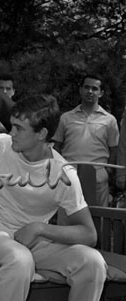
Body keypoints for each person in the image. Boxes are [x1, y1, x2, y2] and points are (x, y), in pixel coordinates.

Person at [0, 94, 107, 301]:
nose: (11, 133)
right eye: (12, 125)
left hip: (36, 243)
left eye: (19, 128)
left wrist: (40, 228)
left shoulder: (63, 175)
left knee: (93, 262)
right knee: (19, 259)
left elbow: (89, 234)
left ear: (42, 134)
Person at [52, 74, 119, 206]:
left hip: (98, 177)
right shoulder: (66, 118)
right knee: (67, 217)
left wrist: (107, 172)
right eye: (86, 87)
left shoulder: (110, 120)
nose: (90, 91)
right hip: (69, 176)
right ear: (80, 90)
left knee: (98, 219)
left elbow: (114, 149)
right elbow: (56, 146)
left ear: (101, 93)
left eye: (94, 88)